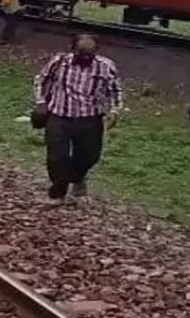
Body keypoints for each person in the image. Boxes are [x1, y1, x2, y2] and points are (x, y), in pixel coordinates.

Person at [33, 34, 123, 204]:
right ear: (73, 50)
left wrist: (115, 111)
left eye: (90, 54)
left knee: (90, 156)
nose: (85, 58)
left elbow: (115, 91)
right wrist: (41, 102)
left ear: (96, 51)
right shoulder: (59, 63)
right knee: (57, 158)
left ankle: (77, 177)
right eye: (81, 54)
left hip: (89, 118)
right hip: (59, 116)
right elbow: (41, 80)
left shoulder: (106, 67)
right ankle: (57, 193)